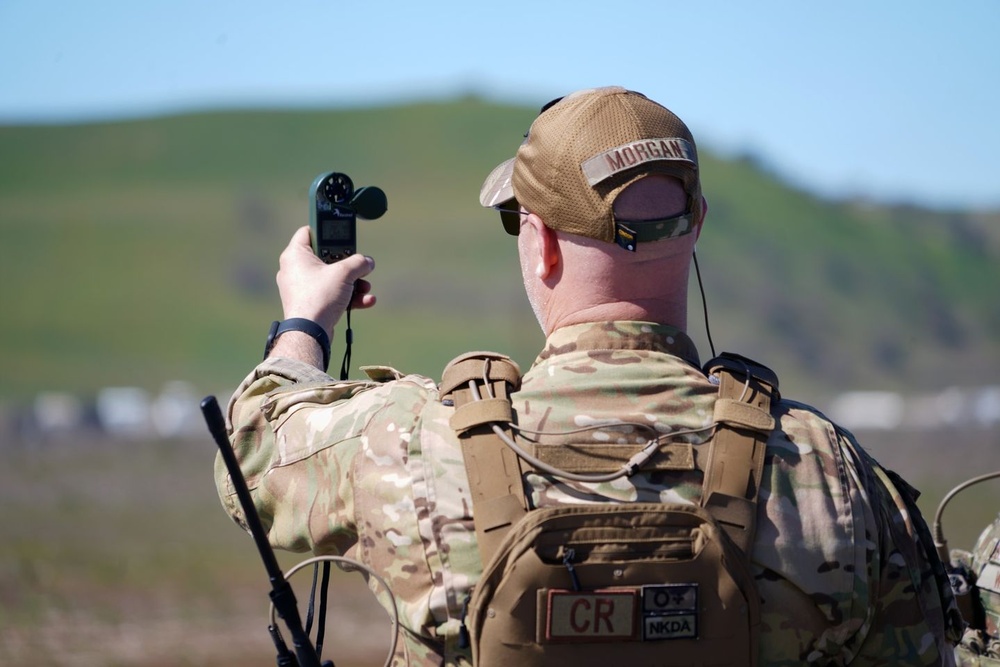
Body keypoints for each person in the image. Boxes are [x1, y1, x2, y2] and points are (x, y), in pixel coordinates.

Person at [215, 86, 963, 665]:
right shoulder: (825, 469)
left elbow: (250, 451)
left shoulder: (413, 443)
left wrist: (305, 323)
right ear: (695, 220)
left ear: (540, 244)